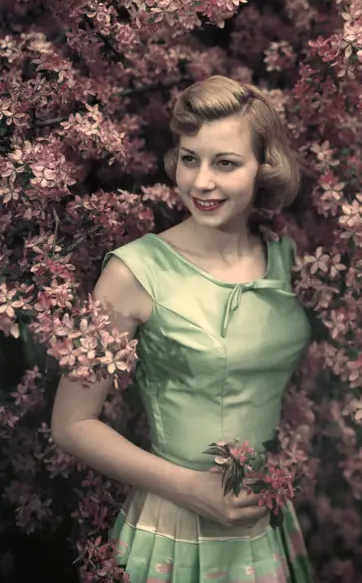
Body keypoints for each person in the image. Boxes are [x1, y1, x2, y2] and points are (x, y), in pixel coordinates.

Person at [50, 75, 314, 583]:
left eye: (226, 163)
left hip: (265, 520)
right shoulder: (133, 272)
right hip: (175, 522)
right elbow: (71, 424)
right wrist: (191, 488)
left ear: (265, 168)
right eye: (190, 158)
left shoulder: (285, 258)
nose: (200, 182)